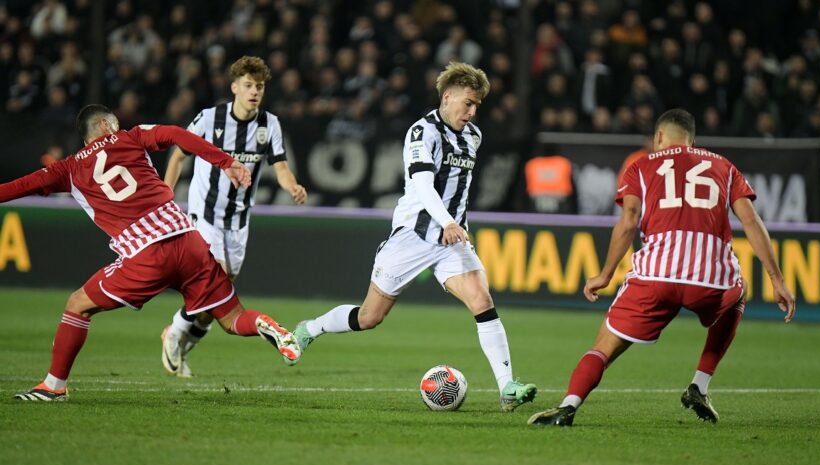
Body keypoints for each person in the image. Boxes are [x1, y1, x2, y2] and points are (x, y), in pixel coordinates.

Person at [3, 104, 301, 402]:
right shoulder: (132, 137)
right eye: (115, 124)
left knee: (78, 304)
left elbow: (22, 185)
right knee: (233, 318)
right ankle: (264, 324)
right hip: (189, 241)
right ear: (106, 125)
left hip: (146, 253)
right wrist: (226, 161)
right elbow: (175, 134)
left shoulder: (68, 169)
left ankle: (54, 386)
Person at [290, 62, 538, 412]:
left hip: (450, 241)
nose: (472, 111)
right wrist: (447, 222)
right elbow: (423, 185)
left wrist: (457, 226)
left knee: (482, 300)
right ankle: (311, 328)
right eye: (468, 103)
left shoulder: (473, 136)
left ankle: (507, 388)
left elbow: (459, 189)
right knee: (369, 317)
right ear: (447, 97)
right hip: (412, 237)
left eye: (477, 105)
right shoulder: (423, 133)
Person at [528, 109, 796, 427]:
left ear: (658, 137)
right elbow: (751, 220)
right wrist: (777, 279)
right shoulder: (724, 166)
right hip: (710, 278)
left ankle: (567, 406)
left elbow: (628, 221)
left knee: (604, 347)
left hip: (655, 276)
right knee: (739, 292)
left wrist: (605, 274)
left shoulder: (640, 165)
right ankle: (700, 385)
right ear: (692, 140)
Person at [159, 56, 307, 378]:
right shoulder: (209, 119)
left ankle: (179, 338)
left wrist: (293, 186)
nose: (254, 92)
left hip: (238, 220)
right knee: (217, 281)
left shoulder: (269, 125)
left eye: (260, 87)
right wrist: (166, 196)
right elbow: (178, 156)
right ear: (234, 87)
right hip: (205, 214)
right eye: (249, 85)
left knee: (216, 298)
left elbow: (280, 167)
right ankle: (175, 331)